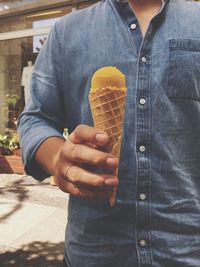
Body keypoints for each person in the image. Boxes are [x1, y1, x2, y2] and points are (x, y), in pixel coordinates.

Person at [17, 0, 200, 266]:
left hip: (187, 251)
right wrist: (58, 158)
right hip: (94, 251)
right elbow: (36, 118)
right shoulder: (66, 32)